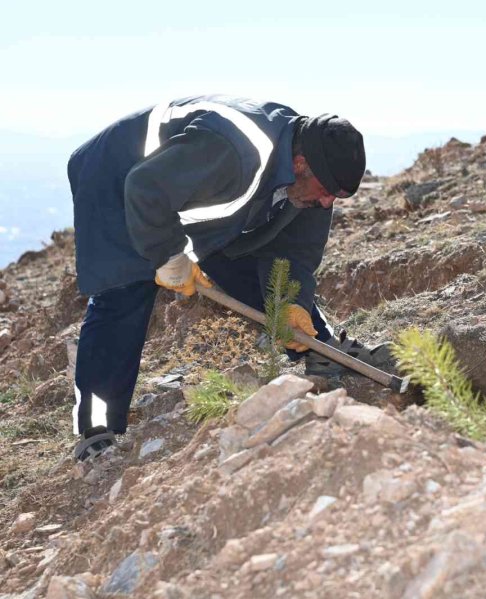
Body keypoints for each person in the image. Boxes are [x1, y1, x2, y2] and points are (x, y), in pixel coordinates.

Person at [67, 95, 387, 460]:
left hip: (191, 194)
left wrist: (292, 306)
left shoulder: (312, 181)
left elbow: (293, 256)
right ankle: (95, 430)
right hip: (116, 176)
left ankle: (323, 349)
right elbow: (145, 188)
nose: (328, 203)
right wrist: (169, 255)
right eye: (328, 192)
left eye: (337, 197)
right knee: (124, 294)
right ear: (300, 164)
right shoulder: (235, 150)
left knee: (246, 259)